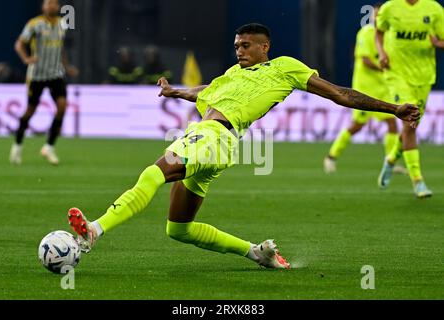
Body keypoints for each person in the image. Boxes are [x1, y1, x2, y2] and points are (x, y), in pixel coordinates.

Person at [67, 24, 419, 269]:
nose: (239, 51)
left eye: (246, 45)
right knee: (179, 229)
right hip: (213, 141)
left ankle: (94, 230)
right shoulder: (230, 76)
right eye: (236, 46)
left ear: (265, 46)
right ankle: (257, 254)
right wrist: (176, 91)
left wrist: (393, 108)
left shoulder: (284, 68)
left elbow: (341, 94)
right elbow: (202, 92)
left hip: (215, 136)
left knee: (153, 173)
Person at [324, 3, 404, 174]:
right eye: (375, 14)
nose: (376, 18)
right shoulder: (366, 33)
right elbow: (365, 60)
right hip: (364, 89)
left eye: (379, 15)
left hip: (382, 87)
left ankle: (390, 162)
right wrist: (383, 67)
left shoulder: (389, 35)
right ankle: (331, 156)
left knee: (392, 122)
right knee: (357, 125)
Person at [376, 0, 444, 199]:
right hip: (397, 74)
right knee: (409, 121)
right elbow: (378, 32)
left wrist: (438, 44)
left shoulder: (433, 9)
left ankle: (390, 159)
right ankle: (418, 181)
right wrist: (382, 53)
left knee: (410, 126)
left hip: (423, 76)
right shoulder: (390, 8)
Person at [10, 0, 79, 166]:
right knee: (30, 110)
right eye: (48, 3)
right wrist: (26, 58)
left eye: (54, 3)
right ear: (43, 6)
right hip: (37, 76)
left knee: (62, 105)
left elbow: (60, 48)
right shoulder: (35, 24)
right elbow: (19, 44)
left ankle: (49, 147)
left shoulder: (62, 24)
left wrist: (66, 66)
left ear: (58, 6)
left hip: (56, 74)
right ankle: (17, 145)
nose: (51, 6)